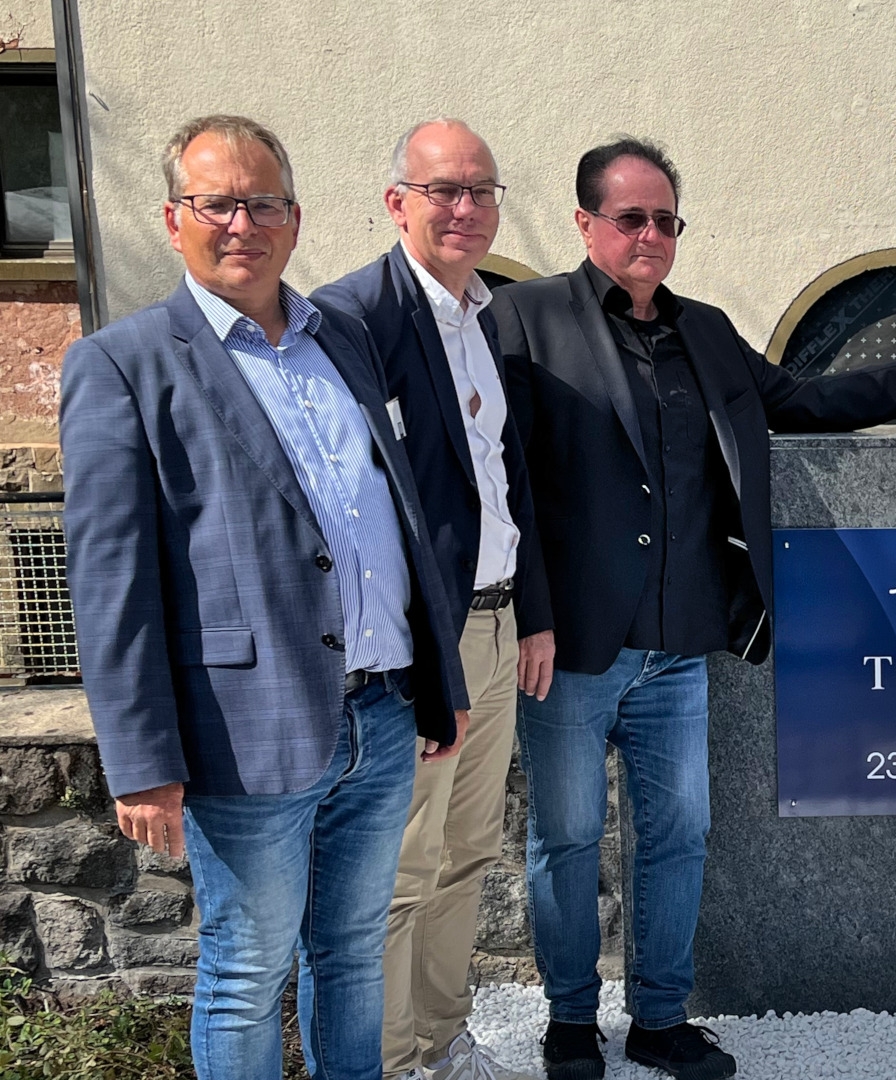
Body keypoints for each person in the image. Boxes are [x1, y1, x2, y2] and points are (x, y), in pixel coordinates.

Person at [496, 137, 896, 1080]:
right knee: (567, 839)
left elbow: (801, 402)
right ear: (584, 222)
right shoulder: (524, 318)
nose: (652, 235)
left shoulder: (705, 329)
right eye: (631, 217)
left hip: (683, 641)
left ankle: (662, 1020)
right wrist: (532, 615)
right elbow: (505, 482)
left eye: (667, 220)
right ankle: (569, 1022)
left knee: (680, 836)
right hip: (576, 646)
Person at [61, 114, 470, 1080]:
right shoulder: (124, 364)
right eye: (219, 203)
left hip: (377, 713)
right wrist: (139, 759)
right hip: (245, 732)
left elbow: (397, 517)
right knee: (246, 970)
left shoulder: (344, 341)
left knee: (351, 953)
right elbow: (111, 579)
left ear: (296, 218)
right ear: (173, 219)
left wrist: (436, 677)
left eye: (266, 203)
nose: (244, 223)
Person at [315, 118, 550, 1080]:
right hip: (422, 646)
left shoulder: (490, 312)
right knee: (399, 873)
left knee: (465, 855)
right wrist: (417, 654)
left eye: (482, 191)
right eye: (444, 189)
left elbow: (507, 478)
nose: (465, 208)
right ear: (396, 201)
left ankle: (443, 1045)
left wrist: (530, 608)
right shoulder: (352, 317)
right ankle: (390, 1062)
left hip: (497, 627)